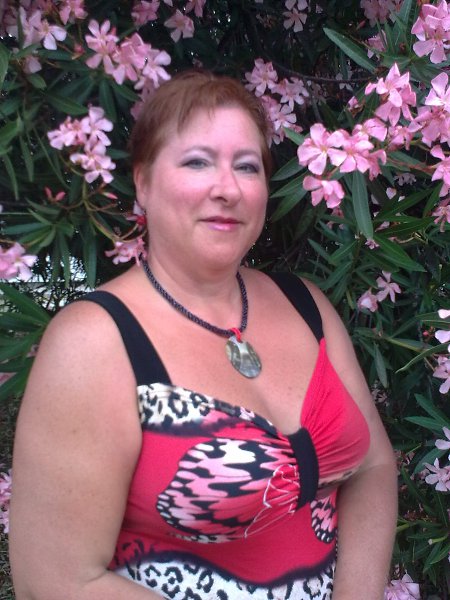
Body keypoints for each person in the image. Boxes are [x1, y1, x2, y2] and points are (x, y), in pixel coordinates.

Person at [9, 70, 397, 600]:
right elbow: (55, 580)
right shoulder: (94, 343)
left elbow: (373, 466)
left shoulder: (305, 305)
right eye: (197, 162)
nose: (227, 188)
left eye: (247, 166)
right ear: (143, 183)